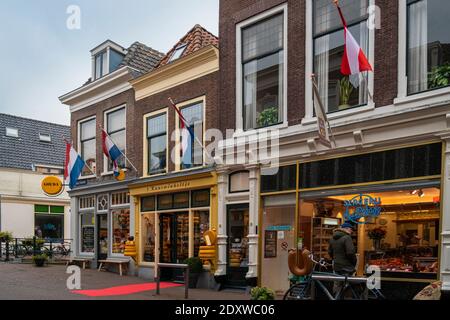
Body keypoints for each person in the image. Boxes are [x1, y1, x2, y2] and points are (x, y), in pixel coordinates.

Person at [328, 222, 357, 296]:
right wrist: (354, 262)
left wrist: (335, 259)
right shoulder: (347, 237)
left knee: (337, 284)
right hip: (347, 267)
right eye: (351, 229)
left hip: (336, 266)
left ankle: (336, 297)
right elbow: (350, 252)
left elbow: (330, 252)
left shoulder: (332, 238)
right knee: (348, 285)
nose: (352, 231)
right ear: (346, 229)